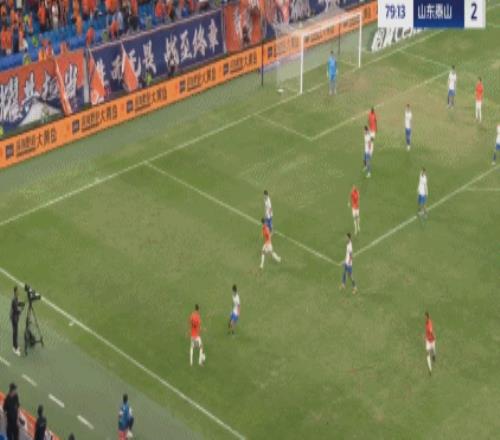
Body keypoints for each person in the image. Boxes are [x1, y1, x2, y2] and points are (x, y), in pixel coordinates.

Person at [10, 286, 22, 356]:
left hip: (15, 317)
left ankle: (15, 346)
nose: (18, 292)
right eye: (17, 291)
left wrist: (21, 304)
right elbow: (16, 310)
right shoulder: (14, 300)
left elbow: (17, 305)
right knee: (15, 333)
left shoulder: (16, 298)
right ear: (15, 292)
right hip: (14, 318)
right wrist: (20, 310)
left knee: (16, 333)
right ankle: (15, 348)